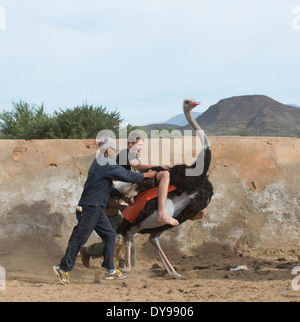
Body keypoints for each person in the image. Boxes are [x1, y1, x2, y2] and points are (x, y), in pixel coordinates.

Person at [53, 137, 157, 285]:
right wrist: (145, 175)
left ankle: (110, 270)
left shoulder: (100, 163)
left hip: (96, 208)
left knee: (110, 235)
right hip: (90, 208)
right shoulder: (105, 162)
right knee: (79, 238)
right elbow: (125, 175)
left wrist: (120, 195)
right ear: (107, 151)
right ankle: (63, 268)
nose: (115, 152)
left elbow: (106, 186)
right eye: (113, 149)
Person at [117, 131, 179, 226]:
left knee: (168, 174)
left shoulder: (133, 157)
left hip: (134, 184)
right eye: (139, 145)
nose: (141, 148)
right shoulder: (124, 153)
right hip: (125, 185)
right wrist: (158, 166)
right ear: (131, 143)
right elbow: (138, 166)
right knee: (164, 175)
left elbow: (139, 170)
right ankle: (162, 213)